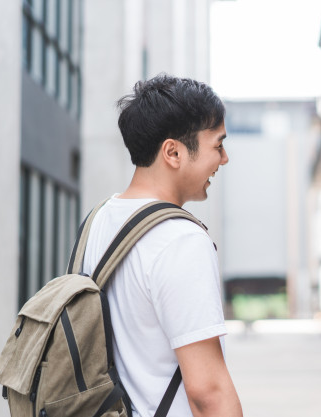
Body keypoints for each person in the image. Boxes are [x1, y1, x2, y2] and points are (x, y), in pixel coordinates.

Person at [81, 74, 243, 417]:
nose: (224, 159)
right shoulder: (180, 239)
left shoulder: (96, 222)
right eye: (218, 145)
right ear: (173, 152)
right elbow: (207, 392)